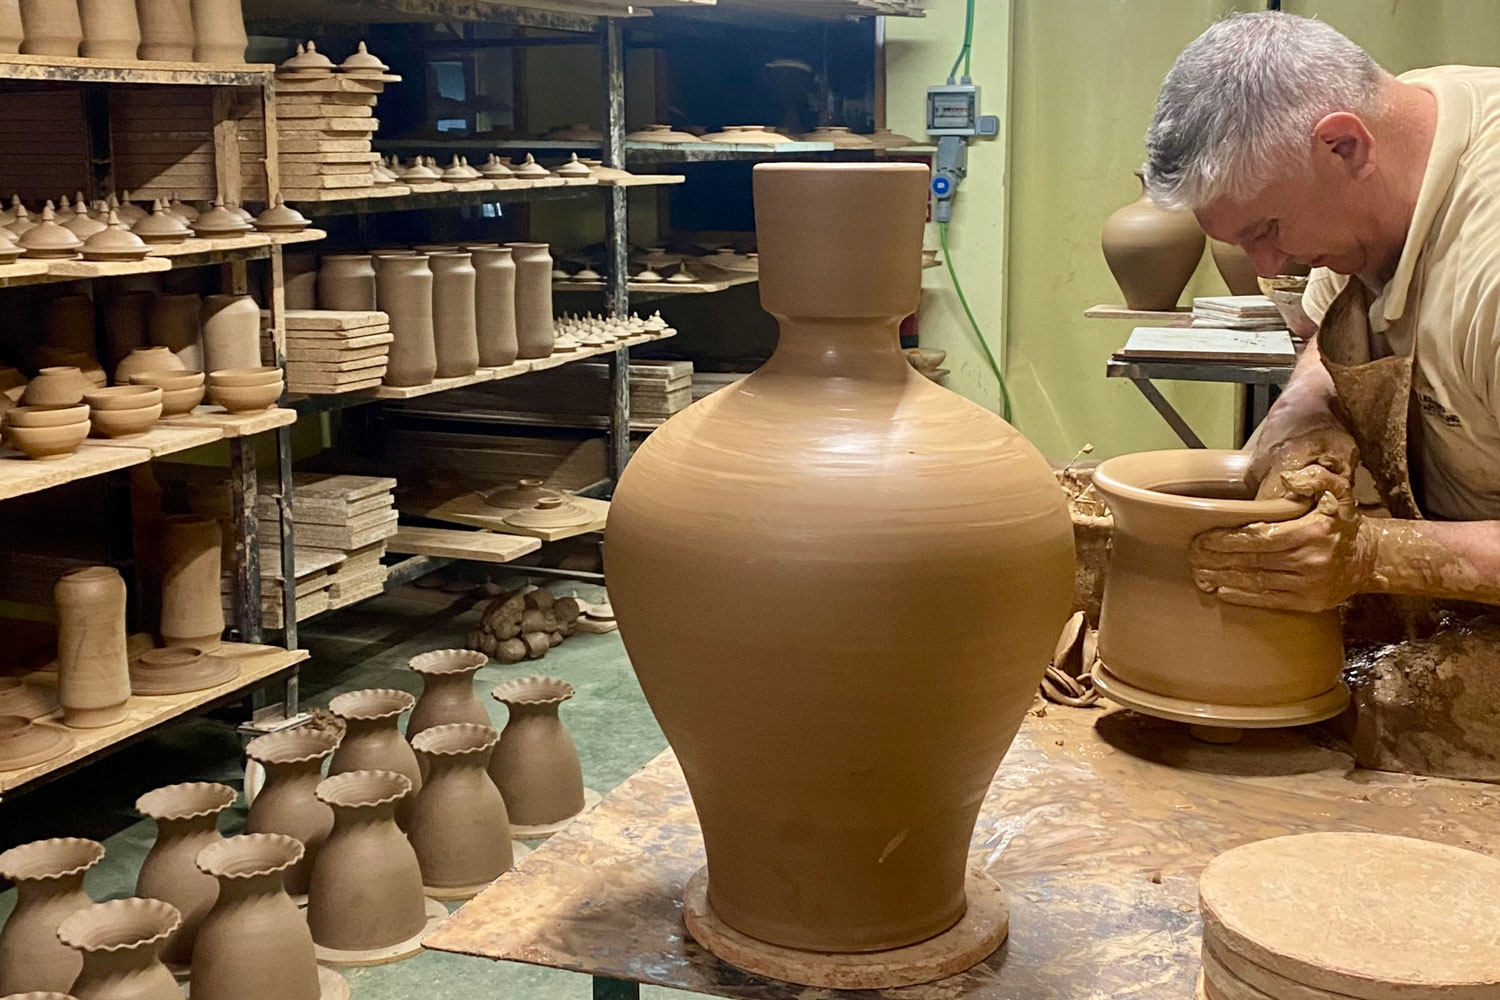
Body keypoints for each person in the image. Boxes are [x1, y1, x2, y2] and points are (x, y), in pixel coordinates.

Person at [1141, 11, 1500, 614]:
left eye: (1267, 229)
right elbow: (1325, 330)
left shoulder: (1487, 264)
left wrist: (1372, 557)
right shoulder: (1395, 135)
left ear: (1344, 145)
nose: (1265, 262)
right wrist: (1302, 412)